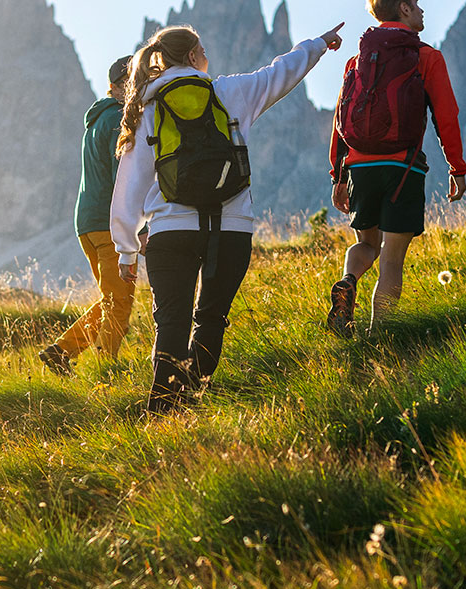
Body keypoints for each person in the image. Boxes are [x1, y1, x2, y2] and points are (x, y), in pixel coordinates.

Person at [110, 21, 344, 412]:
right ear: (192, 57)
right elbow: (280, 74)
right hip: (231, 229)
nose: (207, 58)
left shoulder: (147, 107)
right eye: (203, 52)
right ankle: (192, 395)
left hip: (170, 232)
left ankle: (164, 413)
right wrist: (318, 45)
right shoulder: (230, 92)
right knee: (212, 319)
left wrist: (126, 249)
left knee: (171, 325)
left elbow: (129, 183)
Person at [324, 0, 466, 336]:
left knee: (366, 245)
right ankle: (380, 338)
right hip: (403, 168)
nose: (421, 10)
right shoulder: (426, 57)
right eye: (416, 4)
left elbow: (340, 119)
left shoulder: (357, 61)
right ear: (403, 8)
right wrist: (457, 167)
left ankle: (347, 280)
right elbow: (446, 116)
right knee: (391, 260)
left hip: (359, 166)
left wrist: (338, 176)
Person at [39, 56, 138, 376]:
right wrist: (140, 225)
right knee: (120, 303)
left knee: (112, 298)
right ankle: (105, 370)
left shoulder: (97, 119)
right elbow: (120, 179)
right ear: (117, 87)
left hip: (87, 223)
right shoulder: (118, 120)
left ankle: (60, 352)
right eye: (134, 81)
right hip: (107, 223)